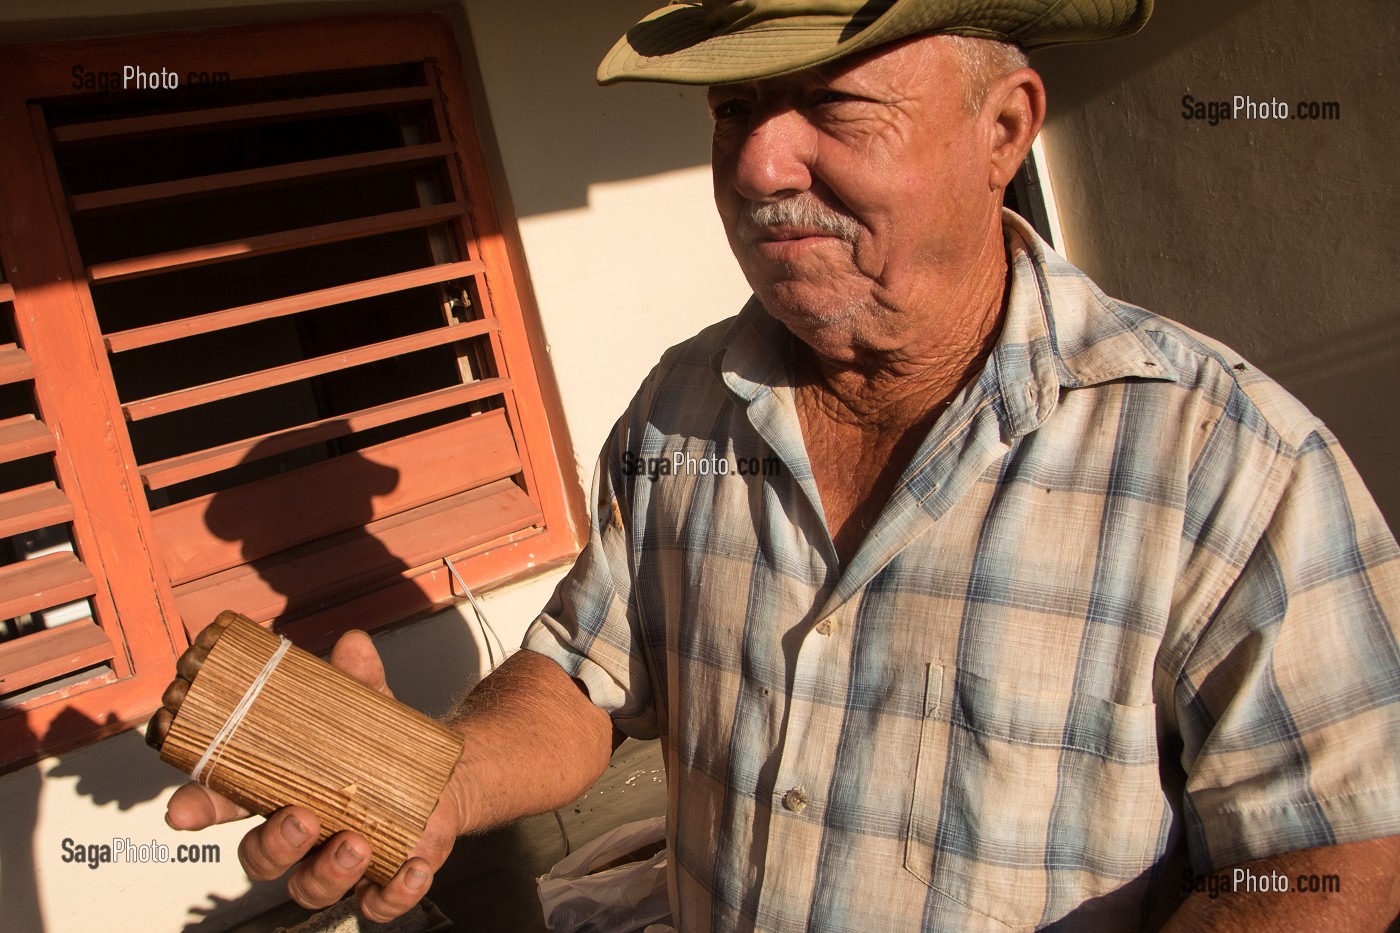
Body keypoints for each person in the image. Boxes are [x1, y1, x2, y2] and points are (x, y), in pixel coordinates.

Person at [166, 1, 1400, 929]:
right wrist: (433, 780)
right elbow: (582, 677)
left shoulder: (1228, 463)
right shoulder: (680, 408)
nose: (758, 166)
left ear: (1003, 128)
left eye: (834, 104)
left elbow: (1327, 859)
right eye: (728, 111)